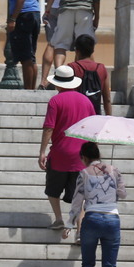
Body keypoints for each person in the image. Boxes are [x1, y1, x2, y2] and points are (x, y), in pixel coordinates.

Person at [63, 142, 128, 267]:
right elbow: (123, 194)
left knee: (88, 262)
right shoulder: (114, 170)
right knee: (110, 266)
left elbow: (77, 201)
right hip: (112, 219)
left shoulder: (83, 174)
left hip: (91, 219)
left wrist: (69, 224)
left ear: (83, 157)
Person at [39, 65, 95, 230]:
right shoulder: (86, 100)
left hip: (60, 154)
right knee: (81, 195)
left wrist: (42, 151)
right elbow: (93, 127)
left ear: (57, 83)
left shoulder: (55, 100)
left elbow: (49, 127)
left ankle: (58, 219)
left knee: (52, 190)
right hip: (82, 156)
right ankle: (79, 229)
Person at [68, 34, 111, 116]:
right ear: (92, 51)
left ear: (77, 50)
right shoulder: (101, 68)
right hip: (95, 116)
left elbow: (68, 96)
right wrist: (108, 117)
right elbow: (107, 99)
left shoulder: (72, 67)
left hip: (77, 116)